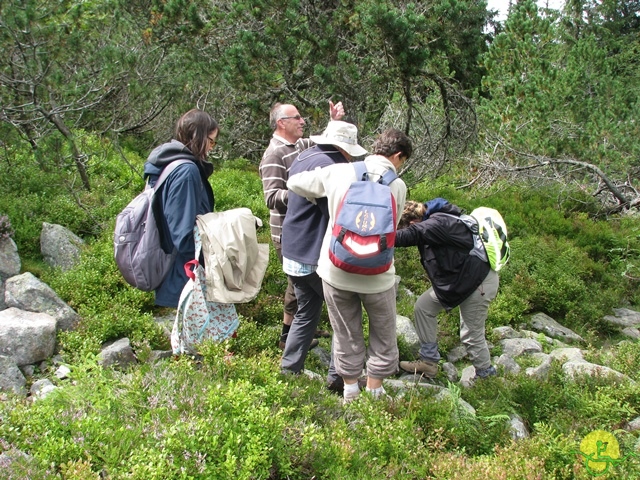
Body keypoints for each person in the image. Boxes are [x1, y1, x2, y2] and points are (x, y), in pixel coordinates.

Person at [287, 128, 411, 402]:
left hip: (336, 271)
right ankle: (376, 389)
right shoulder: (398, 185)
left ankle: (351, 391)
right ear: (398, 156)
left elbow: (295, 182)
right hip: (378, 277)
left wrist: (323, 199)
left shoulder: (339, 172)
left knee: (344, 331)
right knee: (383, 332)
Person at [280, 121, 366, 392]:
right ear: (346, 148)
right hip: (315, 255)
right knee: (344, 314)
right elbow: (336, 211)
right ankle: (339, 377)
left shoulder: (304, 155)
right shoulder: (335, 167)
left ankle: (289, 370)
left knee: (307, 311)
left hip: (293, 250)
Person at [259, 101, 344, 349]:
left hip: (304, 231)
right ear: (281, 123)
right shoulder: (274, 153)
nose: (302, 121)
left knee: (301, 285)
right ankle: (289, 336)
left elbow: (326, 142)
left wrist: (334, 122)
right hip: (287, 233)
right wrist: (303, 192)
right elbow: (271, 197)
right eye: (297, 117)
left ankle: (300, 328)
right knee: (297, 285)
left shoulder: (299, 145)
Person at [394, 198, 499, 380]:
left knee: (471, 334)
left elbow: (408, 236)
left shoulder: (437, 223)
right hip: (458, 281)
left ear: (412, 223)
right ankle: (428, 363)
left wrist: (369, 235)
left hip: (477, 283)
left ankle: (486, 376)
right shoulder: (432, 219)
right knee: (424, 307)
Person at [143, 109, 218, 308]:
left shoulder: (167, 164)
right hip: (182, 277)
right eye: (211, 141)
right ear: (199, 137)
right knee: (187, 338)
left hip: (169, 269)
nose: (211, 147)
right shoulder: (186, 171)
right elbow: (184, 236)